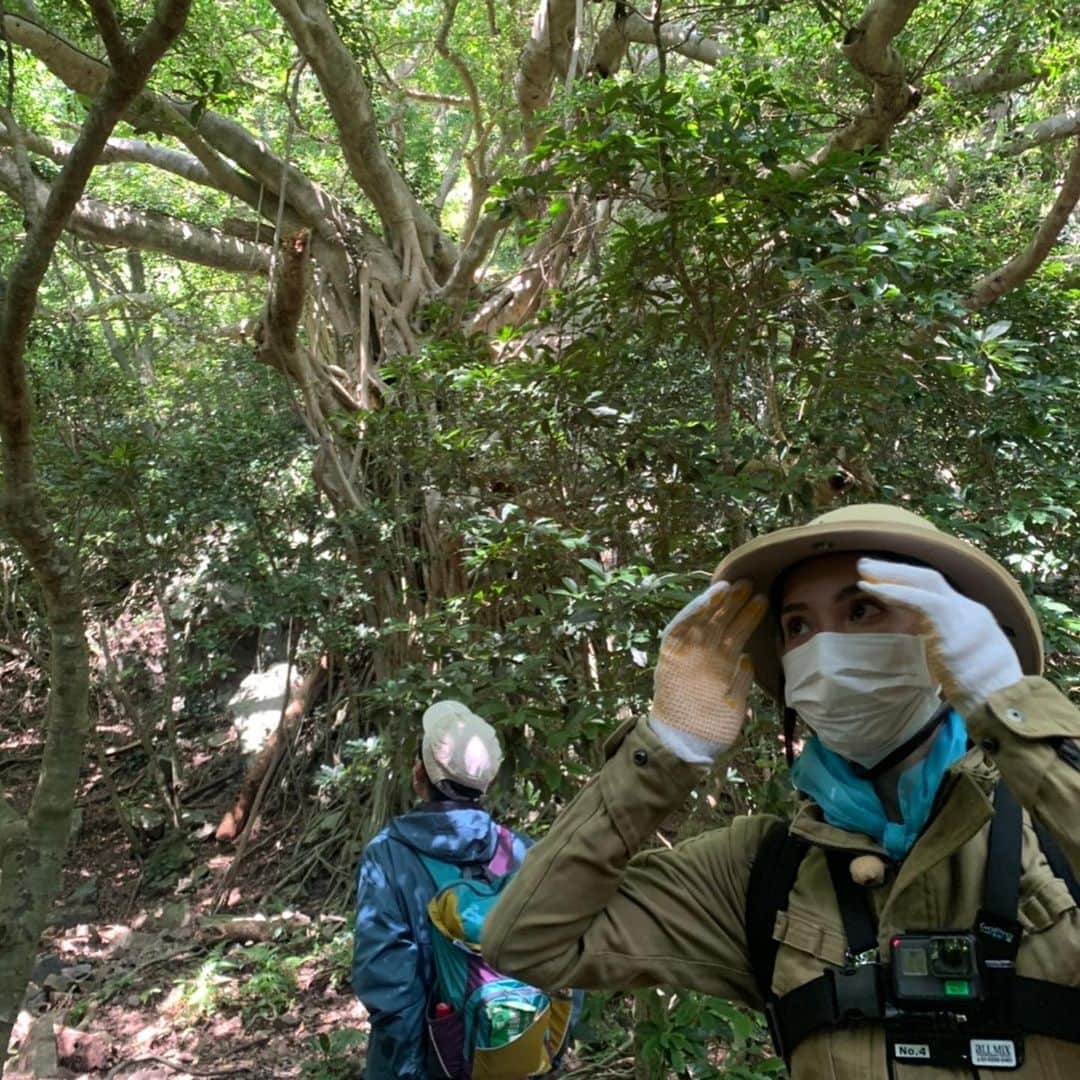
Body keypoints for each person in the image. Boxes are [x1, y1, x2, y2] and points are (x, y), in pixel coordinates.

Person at [483, 503, 1080, 1078]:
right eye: (798, 626)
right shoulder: (761, 871)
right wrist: (665, 752)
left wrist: (1014, 717)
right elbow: (527, 943)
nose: (825, 648)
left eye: (863, 610)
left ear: (947, 633)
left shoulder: (1047, 820)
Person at [352, 700, 532, 1079]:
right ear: (487, 783)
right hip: (512, 1052)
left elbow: (387, 983)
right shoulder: (520, 851)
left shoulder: (388, 855)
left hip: (430, 1056)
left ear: (419, 774)